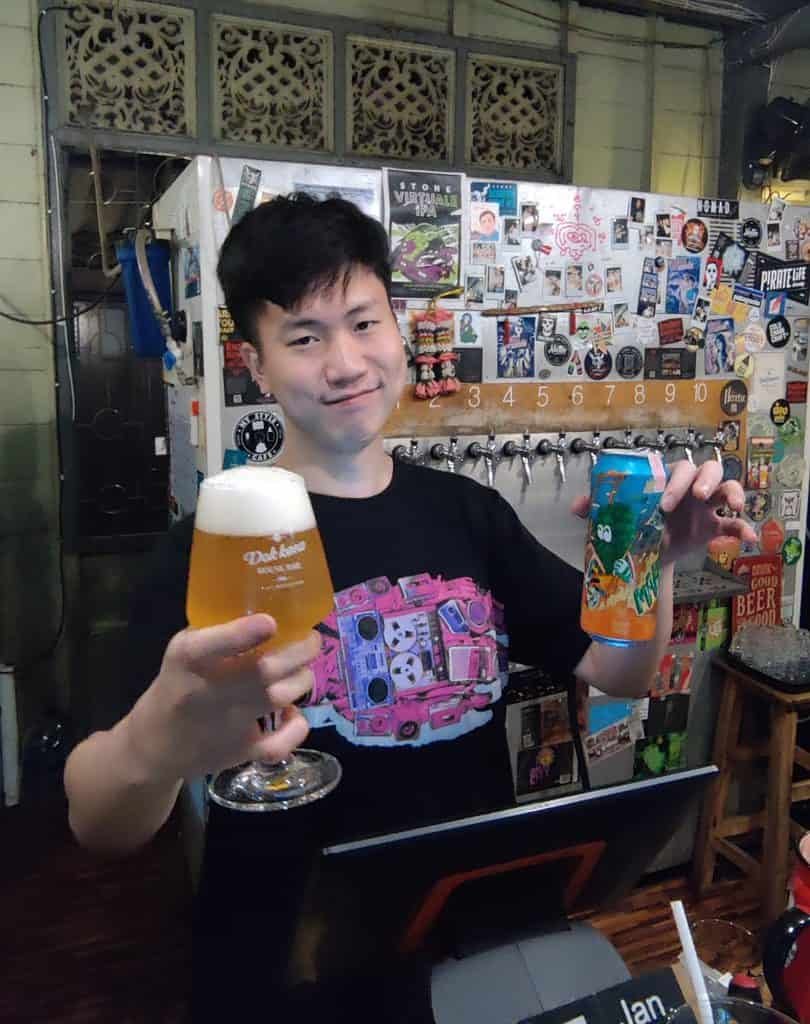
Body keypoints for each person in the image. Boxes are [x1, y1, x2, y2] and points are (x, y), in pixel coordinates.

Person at [64, 194, 756, 1022]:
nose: (346, 362)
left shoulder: (470, 515)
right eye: (305, 337)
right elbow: (95, 821)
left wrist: (654, 560)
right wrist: (157, 744)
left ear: (399, 328)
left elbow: (624, 673)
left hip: (469, 946)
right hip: (285, 967)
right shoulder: (207, 546)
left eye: (363, 322)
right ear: (256, 364)